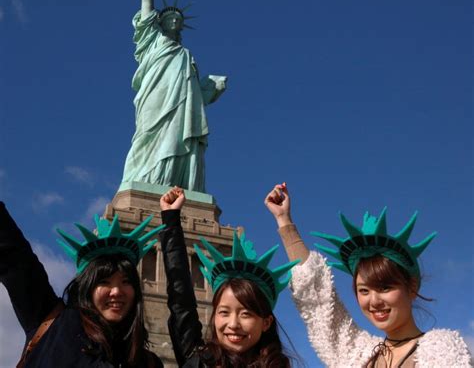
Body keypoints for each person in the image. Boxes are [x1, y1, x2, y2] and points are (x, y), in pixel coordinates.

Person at [264, 183, 473, 368]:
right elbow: (318, 301)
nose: (374, 301)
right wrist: (285, 222)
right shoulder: (356, 353)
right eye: (364, 290)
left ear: (412, 287)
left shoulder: (442, 350)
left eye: (385, 288)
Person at [0, 201, 165, 367]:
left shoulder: (147, 363)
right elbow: (13, 256)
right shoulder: (54, 323)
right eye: (104, 282)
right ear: (88, 287)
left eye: (125, 282)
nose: (116, 291)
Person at [121, 0, 226, 193]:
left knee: (180, 136)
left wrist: (209, 87)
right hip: (155, 98)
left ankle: (177, 185)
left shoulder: (185, 54)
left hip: (182, 106)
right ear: (160, 22)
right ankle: (145, 182)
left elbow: (192, 92)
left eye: (178, 20)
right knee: (146, 136)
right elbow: (147, 1)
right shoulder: (152, 41)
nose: (175, 21)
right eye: (170, 18)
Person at [158, 187, 299, 367]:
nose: (233, 324)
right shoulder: (200, 360)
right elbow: (180, 298)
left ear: (266, 322)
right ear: (214, 315)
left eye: (246, 314)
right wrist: (171, 220)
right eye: (224, 312)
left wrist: (284, 221)